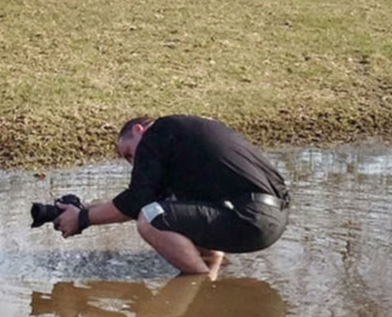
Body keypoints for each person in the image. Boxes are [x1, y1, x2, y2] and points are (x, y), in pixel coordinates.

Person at [53, 114, 290, 279]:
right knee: (167, 212)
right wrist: (82, 209)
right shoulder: (185, 143)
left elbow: (137, 204)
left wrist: (82, 218)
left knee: (151, 217)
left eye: (128, 154)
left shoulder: (158, 132)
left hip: (251, 215)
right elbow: (139, 201)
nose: (134, 163)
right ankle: (216, 271)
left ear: (139, 130)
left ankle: (199, 284)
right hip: (271, 219)